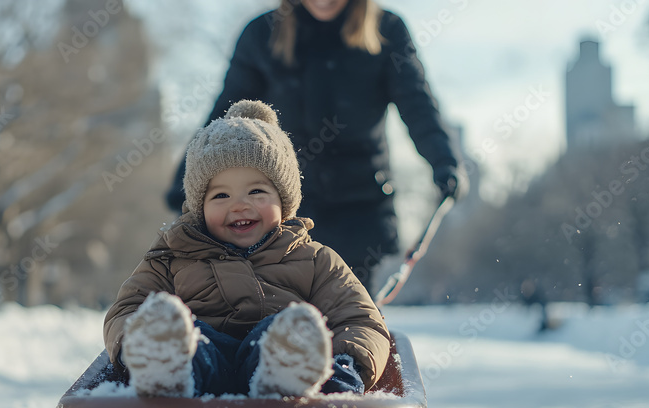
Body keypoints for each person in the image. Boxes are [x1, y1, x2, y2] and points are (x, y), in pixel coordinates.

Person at [105, 100, 391, 398]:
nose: (239, 205)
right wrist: (137, 343)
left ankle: (287, 369)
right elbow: (127, 309)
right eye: (221, 195)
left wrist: (346, 364)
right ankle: (167, 366)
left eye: (257, 191)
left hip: (276, 360)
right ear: (199, 207)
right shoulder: (173, 257)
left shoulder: (316, 260)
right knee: (192, 337)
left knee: (286, 330)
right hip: (201, 370)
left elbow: (358, 318)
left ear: (285, 201)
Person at [165, 0, 463, 286]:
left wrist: (445, 161)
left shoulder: (387, 30)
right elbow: (226, 114)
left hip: (360, 206)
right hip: (285, 211)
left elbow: (417, 104)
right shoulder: (263, 34)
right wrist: (187, 180)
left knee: (352, 317)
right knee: (283, 318)